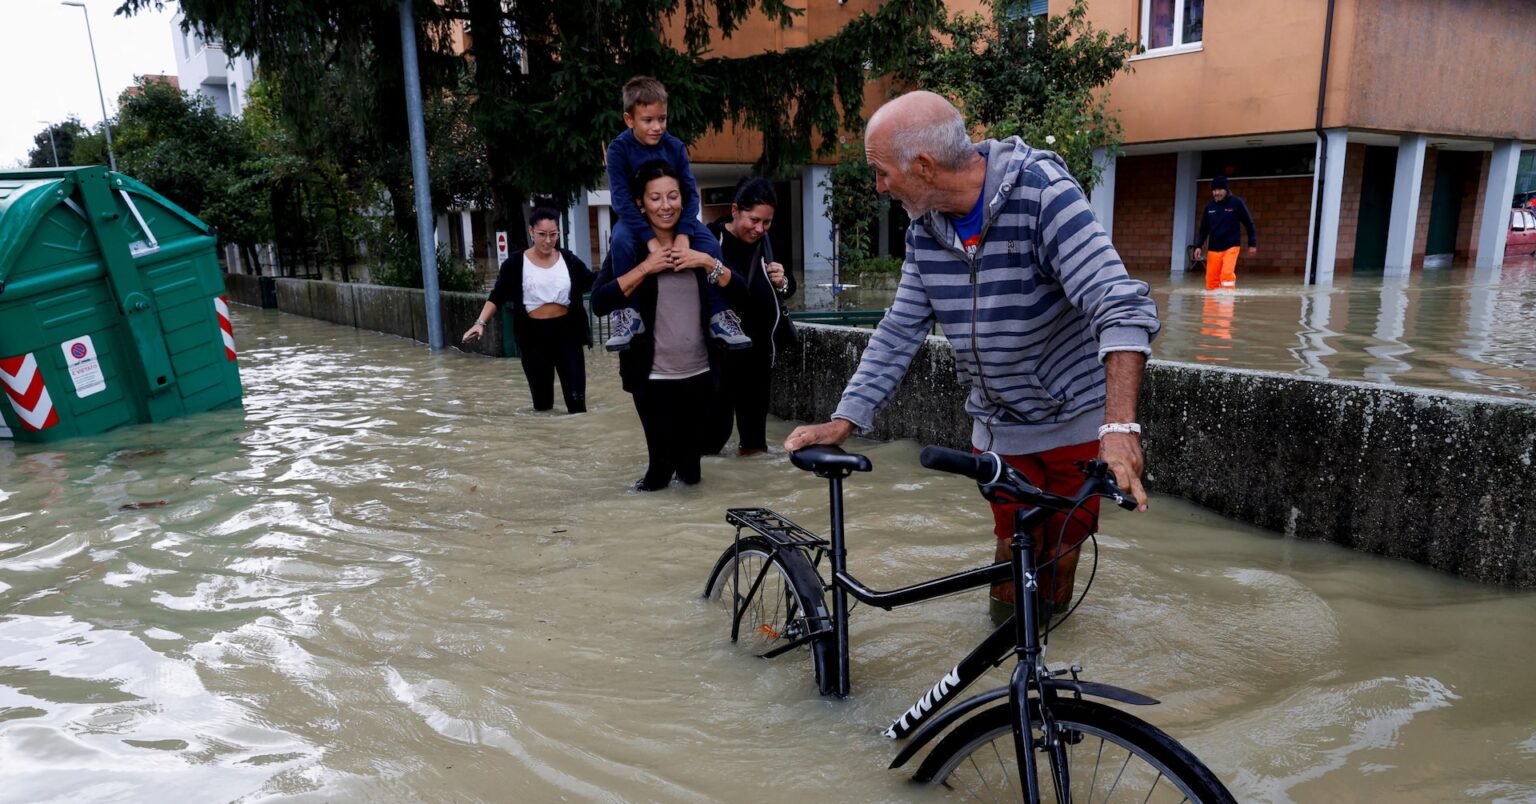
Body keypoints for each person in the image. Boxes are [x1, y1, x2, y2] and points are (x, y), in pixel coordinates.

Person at [782, 91, 1160, 620]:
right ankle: (1003, 656)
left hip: (1076, 423)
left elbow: (1121, 306)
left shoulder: (1044, 197)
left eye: (882, 172)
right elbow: (899, 331)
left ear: (923, 165)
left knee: (1064, 550)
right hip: (1000, 425)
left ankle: (1047, 662)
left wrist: (1119, 429)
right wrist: (845, 420)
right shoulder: (925, 230)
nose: (879, 186)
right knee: (1013, 551)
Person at [592, 160, 747, 491]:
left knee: (692, 472)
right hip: (651, 378)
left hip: (700, 375)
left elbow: (741, 294)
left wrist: (706, 262)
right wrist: (645, 269)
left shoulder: (700, 243)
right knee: (659, 471)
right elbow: (600, 303)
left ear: (684, 199)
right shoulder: (629, 247)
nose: (666, 206)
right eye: (656, 198)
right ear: (640, 203)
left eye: (673, 196)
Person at [602, 76, 750, 353]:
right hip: (635, 220)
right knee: (620, 242)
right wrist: (649, 240)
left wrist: (683, 235)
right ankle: (628, 315)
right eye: (648, 120)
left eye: (662, 118)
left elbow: (691, 195)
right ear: (629, 119)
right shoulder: (619, 149)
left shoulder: (675, 147)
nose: (657, 127)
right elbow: (621, 200)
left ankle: (719, 315)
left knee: (708, 244)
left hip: (679, 221)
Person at [462, 208, 594, 414]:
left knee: (578, 404)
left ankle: (579, 443)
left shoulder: (568, 260)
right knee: (542, 405)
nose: (548, 240)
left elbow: (593, 282)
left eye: (553, 234)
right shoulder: (515, 263)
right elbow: (497, 295)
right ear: (531, 231)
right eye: (542, 234)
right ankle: (546, 443)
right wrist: (480, 323)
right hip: (534, 338)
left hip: (568, 335)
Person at [704, 177, 797, 457]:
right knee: (711, 443)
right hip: (718, 358)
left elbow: (788, 287)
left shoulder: (770, 242)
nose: (759, 229)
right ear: (735, 210)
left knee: (755, 444)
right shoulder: (710, 239)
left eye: (766, 222)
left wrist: (783, 281)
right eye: (754, 220)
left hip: (758, 358)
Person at [1192, 175, 1258, 291]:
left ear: (1226, 190)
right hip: (1213, 249)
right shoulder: (1209, 206)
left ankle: (1227, 304)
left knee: (1226, 275)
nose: (1216, 193)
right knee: (1211, 280)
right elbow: (1203, 229)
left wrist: (1252, 244)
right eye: (1214, 190)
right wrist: (1198, 246)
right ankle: (1211, 308)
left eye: (1219, 190)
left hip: (1231, 246)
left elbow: (1249, 223)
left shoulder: (1236, 203)